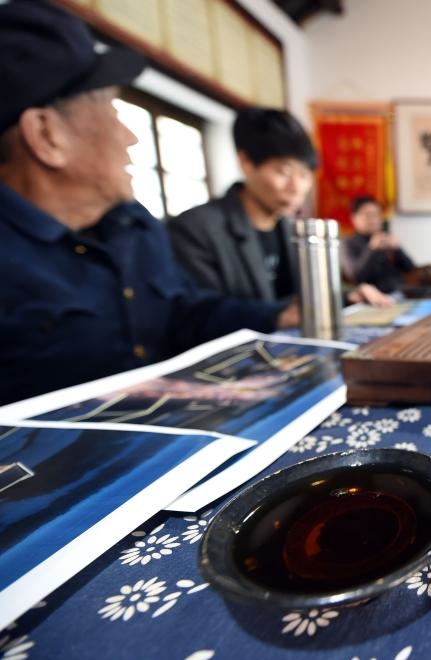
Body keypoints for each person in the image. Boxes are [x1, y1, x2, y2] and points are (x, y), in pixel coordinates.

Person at [0, 0, 293, 405]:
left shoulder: (133, 224)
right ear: (47, 135)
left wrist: (277, 315)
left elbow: (182, 312)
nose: (131, 137)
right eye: (110, 109)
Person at [167, 108, 392, 307]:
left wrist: (346, 297)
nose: (297, 187)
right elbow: (201, 314)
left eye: (304, 175)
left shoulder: (290, 228)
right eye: (284, 172)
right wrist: (277, 315)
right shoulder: (196, 230)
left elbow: (301, 297)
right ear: (246, 162)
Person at [343, 195, 416, 293]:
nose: (374, 219)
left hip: (399, 292)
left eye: (376, 214)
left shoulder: (386, 237)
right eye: (368, 215)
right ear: (354, 218)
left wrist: (398, 249)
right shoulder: (349, 243)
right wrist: (371, 249)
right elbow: (356, 276)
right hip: (372, 296)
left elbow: (411, 269)